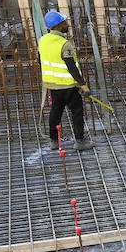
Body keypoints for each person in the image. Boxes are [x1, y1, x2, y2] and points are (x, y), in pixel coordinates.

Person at [39, 11, 94, 150]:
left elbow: (40, 61)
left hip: (53, 85)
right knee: (77, 112)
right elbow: (72, 68)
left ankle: (53, 141)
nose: (66, 24)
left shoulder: (42, 41)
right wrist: (83, 85)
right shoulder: (64, 44)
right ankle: (80, 142)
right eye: (64, 22)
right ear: (58, 26)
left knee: (55, 112)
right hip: (68, 86)